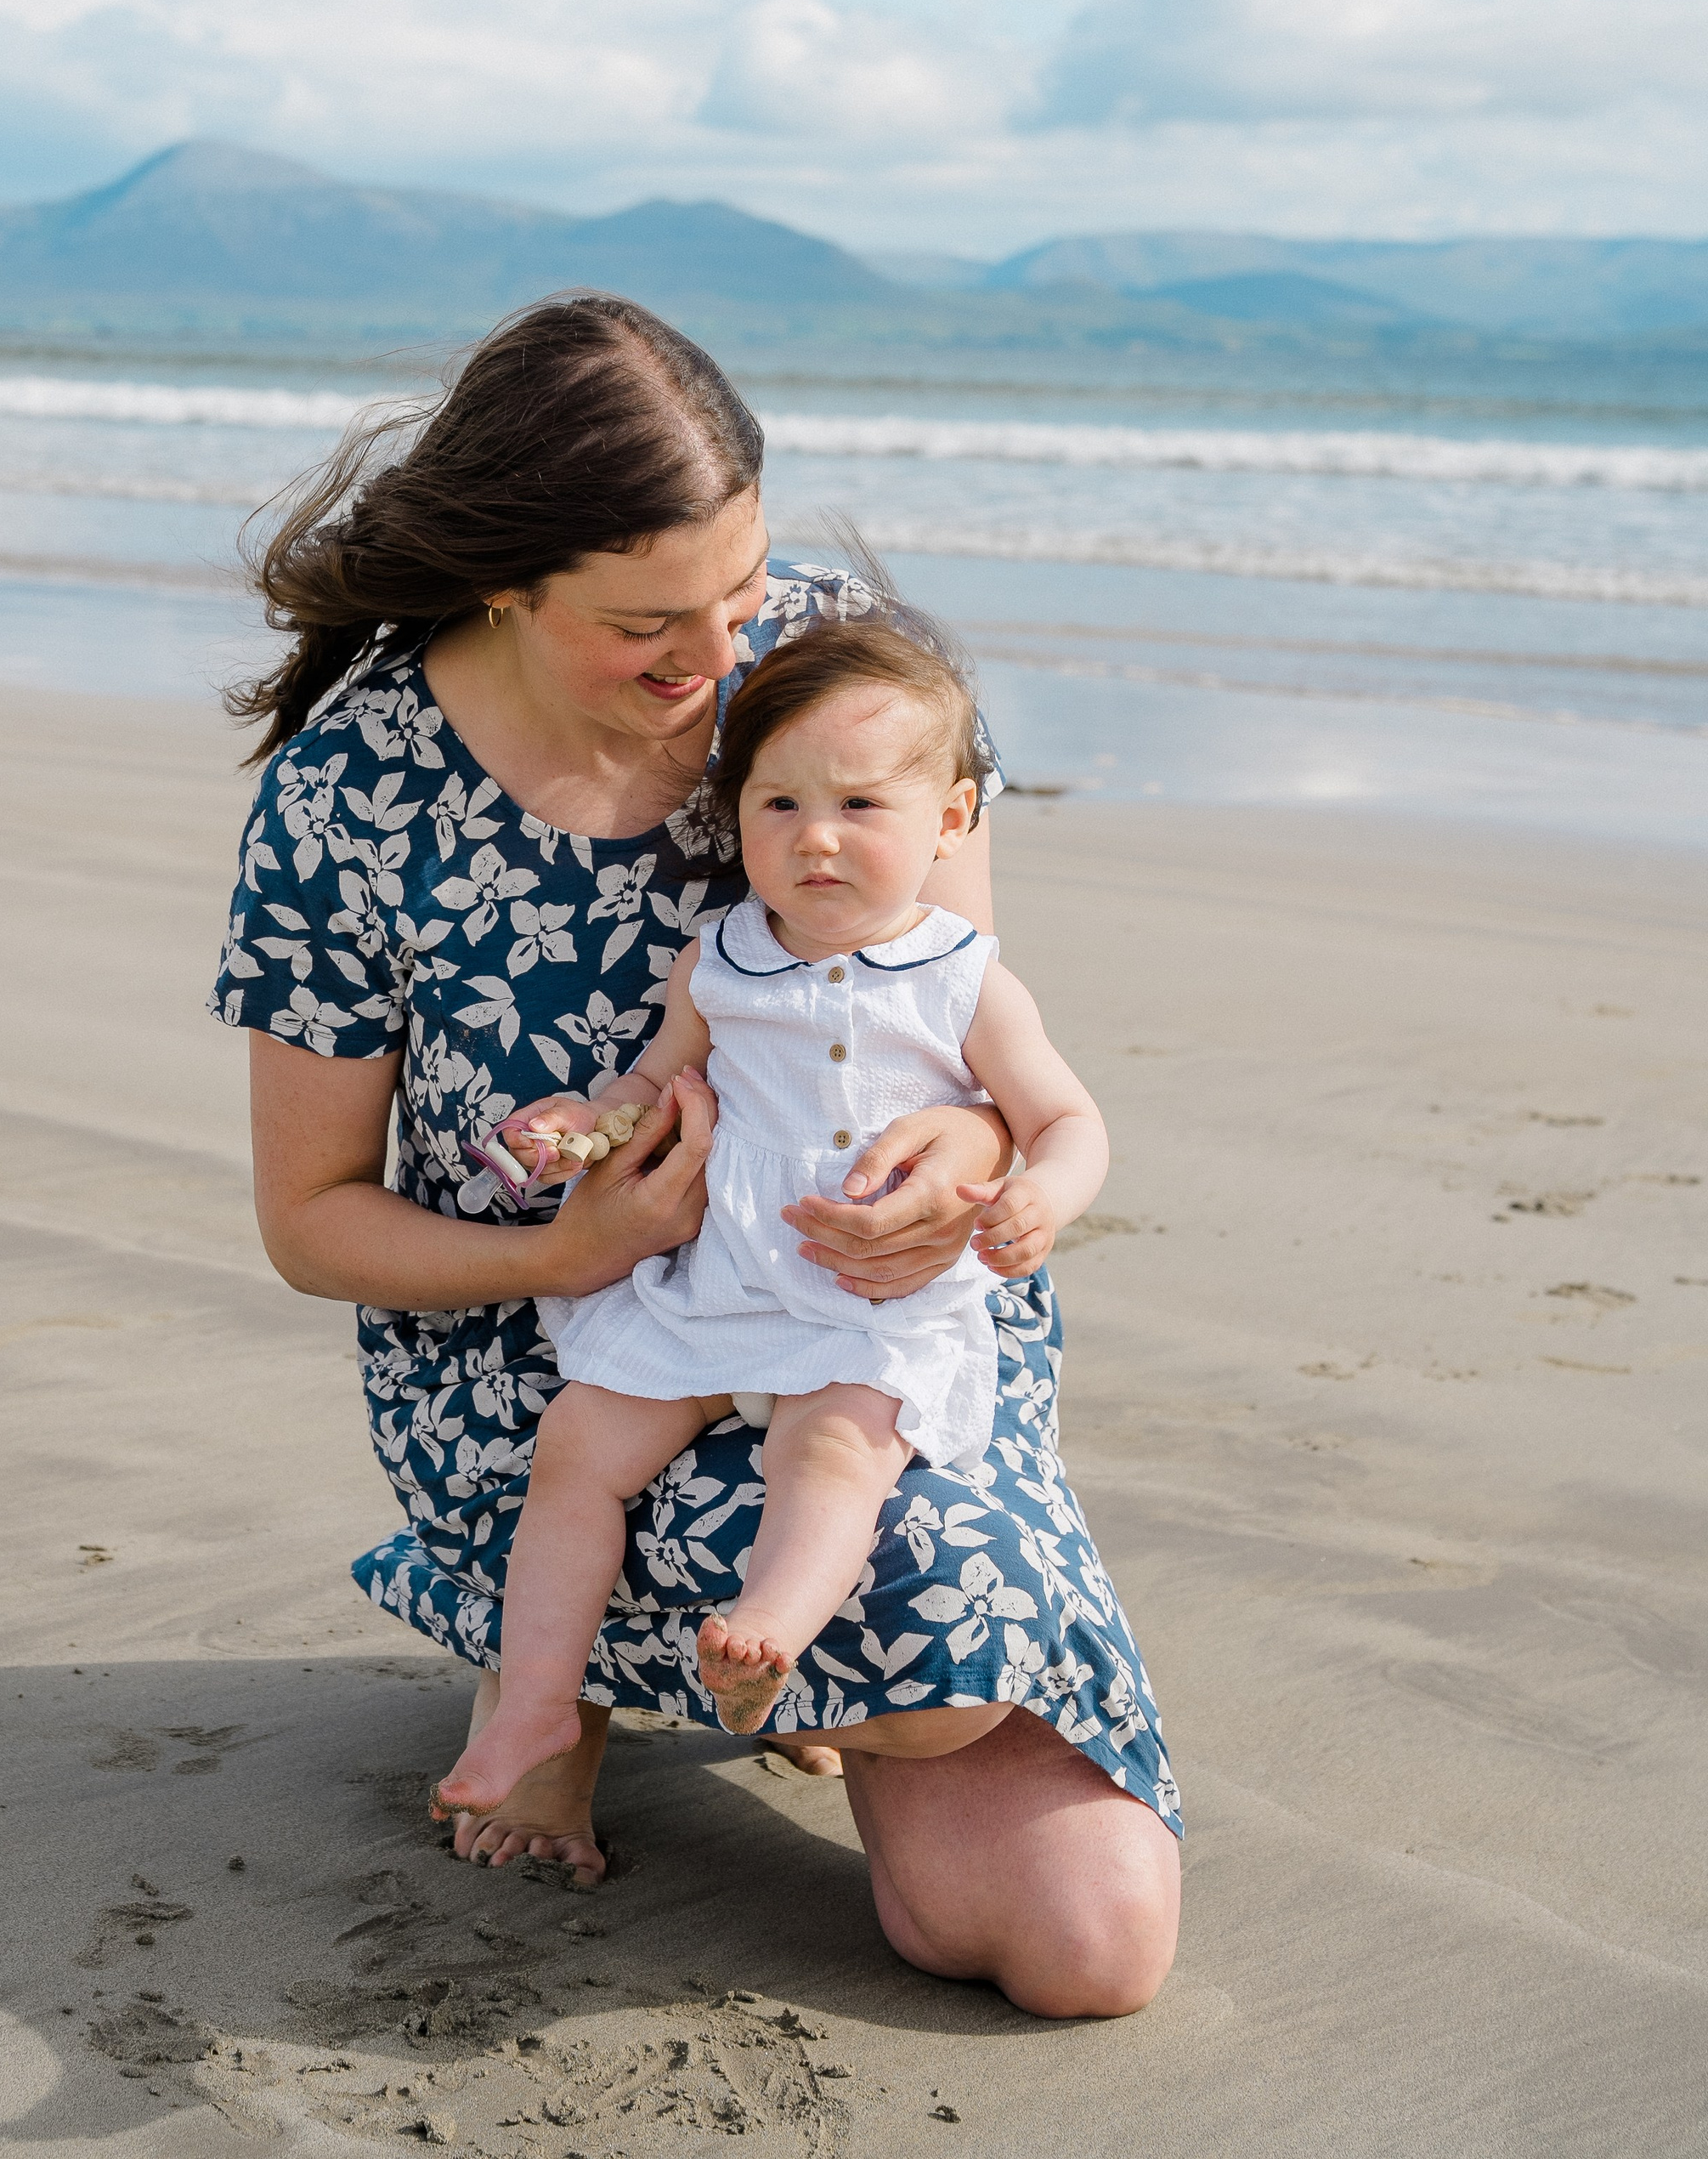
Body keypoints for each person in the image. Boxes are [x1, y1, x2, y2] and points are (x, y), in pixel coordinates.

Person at [213, 294, 1180, 2017]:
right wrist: (562, 1252)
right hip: (545, 1361)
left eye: (737, 590)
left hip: (857, 1329)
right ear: (504, 582)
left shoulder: (837, 680)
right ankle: (559, 1685)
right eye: (646, 623)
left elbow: (956, 1008)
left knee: (1084, 1945)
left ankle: (800, 1673)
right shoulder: (349, 797)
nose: (717, 656)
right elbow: (310, 1223)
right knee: (685, 1535)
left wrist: (964, 1155)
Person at [432, 615, 1111, 1819]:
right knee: (578, 1449)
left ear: (951, 819)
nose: (816, 837)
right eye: (780, 804)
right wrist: (584, 1125)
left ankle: (767, 1637)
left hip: (861, 1307)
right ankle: (536, 1696)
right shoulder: (721, 960)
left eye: (861, 805)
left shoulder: (963, 980)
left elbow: (1067, 1119)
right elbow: (655, 1083)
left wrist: (1039, 1196)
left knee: (837, 1452)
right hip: (718, 1288)